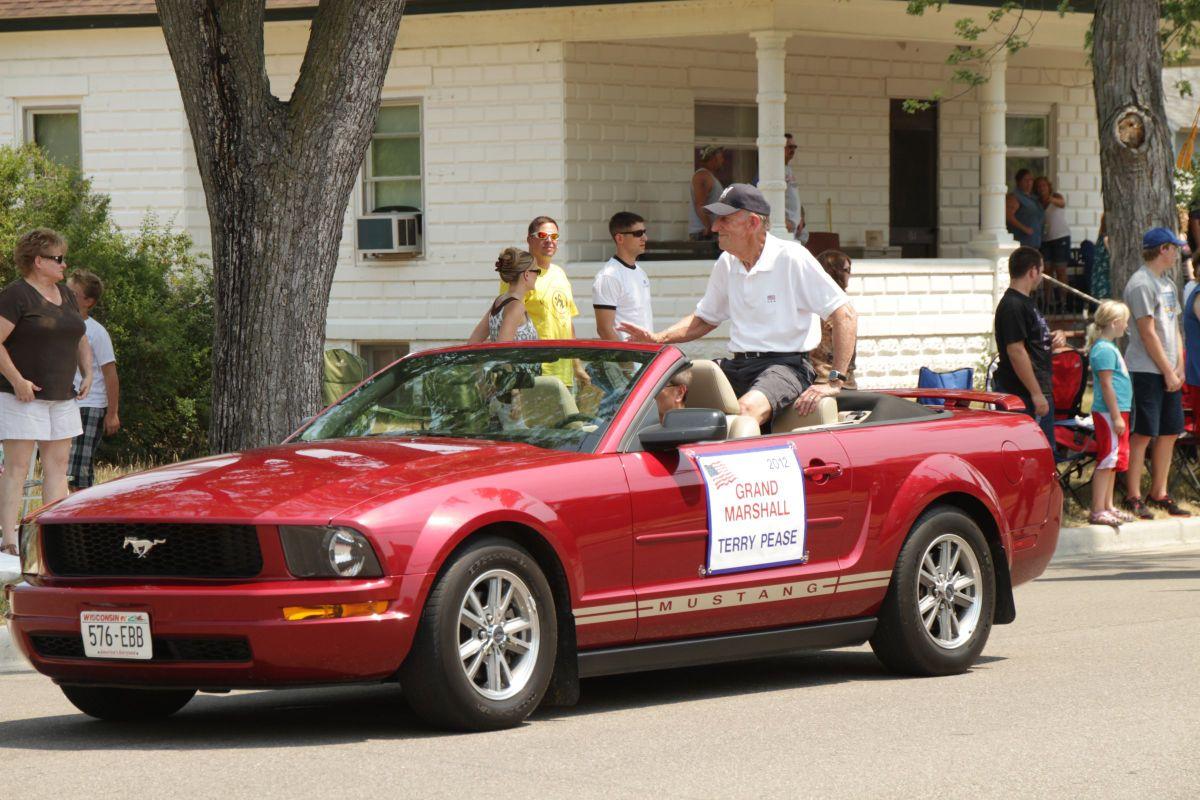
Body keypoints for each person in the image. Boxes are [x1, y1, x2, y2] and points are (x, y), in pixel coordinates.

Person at [619, 184, 856, 425]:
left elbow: (844, 314)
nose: (713, 227)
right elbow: (705, 318)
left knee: (744, 413)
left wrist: (835, 381)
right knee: (665, 392)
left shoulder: (791, 257)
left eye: (724, 219)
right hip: (738, 364)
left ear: (753, 223)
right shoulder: (727, 262)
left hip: (787, 366)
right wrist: (658, 339)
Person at [0, 229, 92, 556]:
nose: (64, 264)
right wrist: (17, 381)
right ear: (38, 261)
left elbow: (79, 335)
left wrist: (88, 371)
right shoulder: (16, 295)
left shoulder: (66, 295)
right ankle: (9, 540)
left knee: (58, 465)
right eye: (58, 258)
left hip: (62, 396)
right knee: (18, 467)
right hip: (22, 397)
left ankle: (53, 537)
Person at [1123, 227, 1191, 519]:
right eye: (1174, 247)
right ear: (1162, 249)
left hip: (1169, 370)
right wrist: (1166, 369)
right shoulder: (1141, 284)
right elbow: (1147, 333)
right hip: (1146, 369)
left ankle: (1159, 491)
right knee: (1143, 433)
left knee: (1169, 432)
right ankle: (1133, 495)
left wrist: (1179, 366)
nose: (1177, 253)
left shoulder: (1168, 284)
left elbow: (1174, 327)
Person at [499, 217, 587, 390]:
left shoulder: (560, 274)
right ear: (529, 239)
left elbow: (567, 322)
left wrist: (577, 366)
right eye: (542, 235)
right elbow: (507, 326)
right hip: (536, 373)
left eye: (554, 236)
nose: (549, 240)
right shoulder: (521, 276)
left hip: (564, 373)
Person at [991, 246, 1066, 450]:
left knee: (1045, 452)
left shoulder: (1026, 302)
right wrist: (1036, 393)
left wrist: (1052, 338)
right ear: (1033, 271)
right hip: (1022, 394)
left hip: (1036, 389)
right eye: (1041, 271)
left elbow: (1031, 341)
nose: (1041, 276)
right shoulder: (1012, 305)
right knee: (1031, 453)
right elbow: (1016, 350)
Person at [66, 269, 120, 491]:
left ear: (88, 301)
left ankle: (81, 516)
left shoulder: (97, 332)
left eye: (72, 293)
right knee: (64, 466)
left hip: (90, 406)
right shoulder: (61, 324)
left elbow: (110, 373)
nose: (66, 296)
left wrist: (112, 413)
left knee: (79, 470)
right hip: (66, 402)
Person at [1087, 300, 1135, 528]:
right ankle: (1097, 509)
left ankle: (1108, 505)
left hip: (1117, 411)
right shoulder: (1103, 350)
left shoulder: (1109, 347)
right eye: (1124, 322)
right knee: (1107, 458)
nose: (1126, 326)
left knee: (1114, 460)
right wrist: (1115, 416)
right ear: (1115, 323)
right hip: (1109, 413)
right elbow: (1106, 385)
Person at [469, 247, 540, 343]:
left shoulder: (500, 301)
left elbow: (474, 341)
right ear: (526, 274)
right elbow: (502, 351)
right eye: (537, 271)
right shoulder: (516, 306)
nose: (537, 276)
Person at [811, 250, 858, 389]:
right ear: (833, 272)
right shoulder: (834, 307)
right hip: (827, 382)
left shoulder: (814, 301)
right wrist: (835, 380)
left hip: (834, 381)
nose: (849, 274)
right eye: (846, 270)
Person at [1034, 176, 1069, 308]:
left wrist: (1049, 198)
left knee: (1061, 271)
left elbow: (1062, 203)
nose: (1041, 188)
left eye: (1044, 185)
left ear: (1048, 186)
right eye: (1039, 186)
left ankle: (1063, 302)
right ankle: (1047, 303)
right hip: (1045, 240)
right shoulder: (1036, 202)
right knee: (1047, 271)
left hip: (1061, 237)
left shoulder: (1056, 197)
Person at [688, 145, 725, 241]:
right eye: (720, 158)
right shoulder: (703, 176)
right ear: (712, 159)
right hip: (704, 234)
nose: (723, 161)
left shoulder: (709, 176)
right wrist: (709, 227)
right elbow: (700, 204)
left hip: (711, 232)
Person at [1005, 169, 1043, 249]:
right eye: (1026, 180)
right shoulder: (1015, 197)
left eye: (1031, 180)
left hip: (1035, 242)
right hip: (1022, 242)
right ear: (1019, 182)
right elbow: (1008, 216)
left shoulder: (1033, 198)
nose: (1029, 183)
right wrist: (1024, 228)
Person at [783, 133, 807, 243]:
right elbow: (767, 199)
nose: (792, 150)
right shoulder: (773, 171)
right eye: (789, 147)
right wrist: (782, 221)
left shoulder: (788, 169)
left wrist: (801, 217)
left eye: (794, 147)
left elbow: (795, 196)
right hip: (784, 228)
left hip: (795, 227)